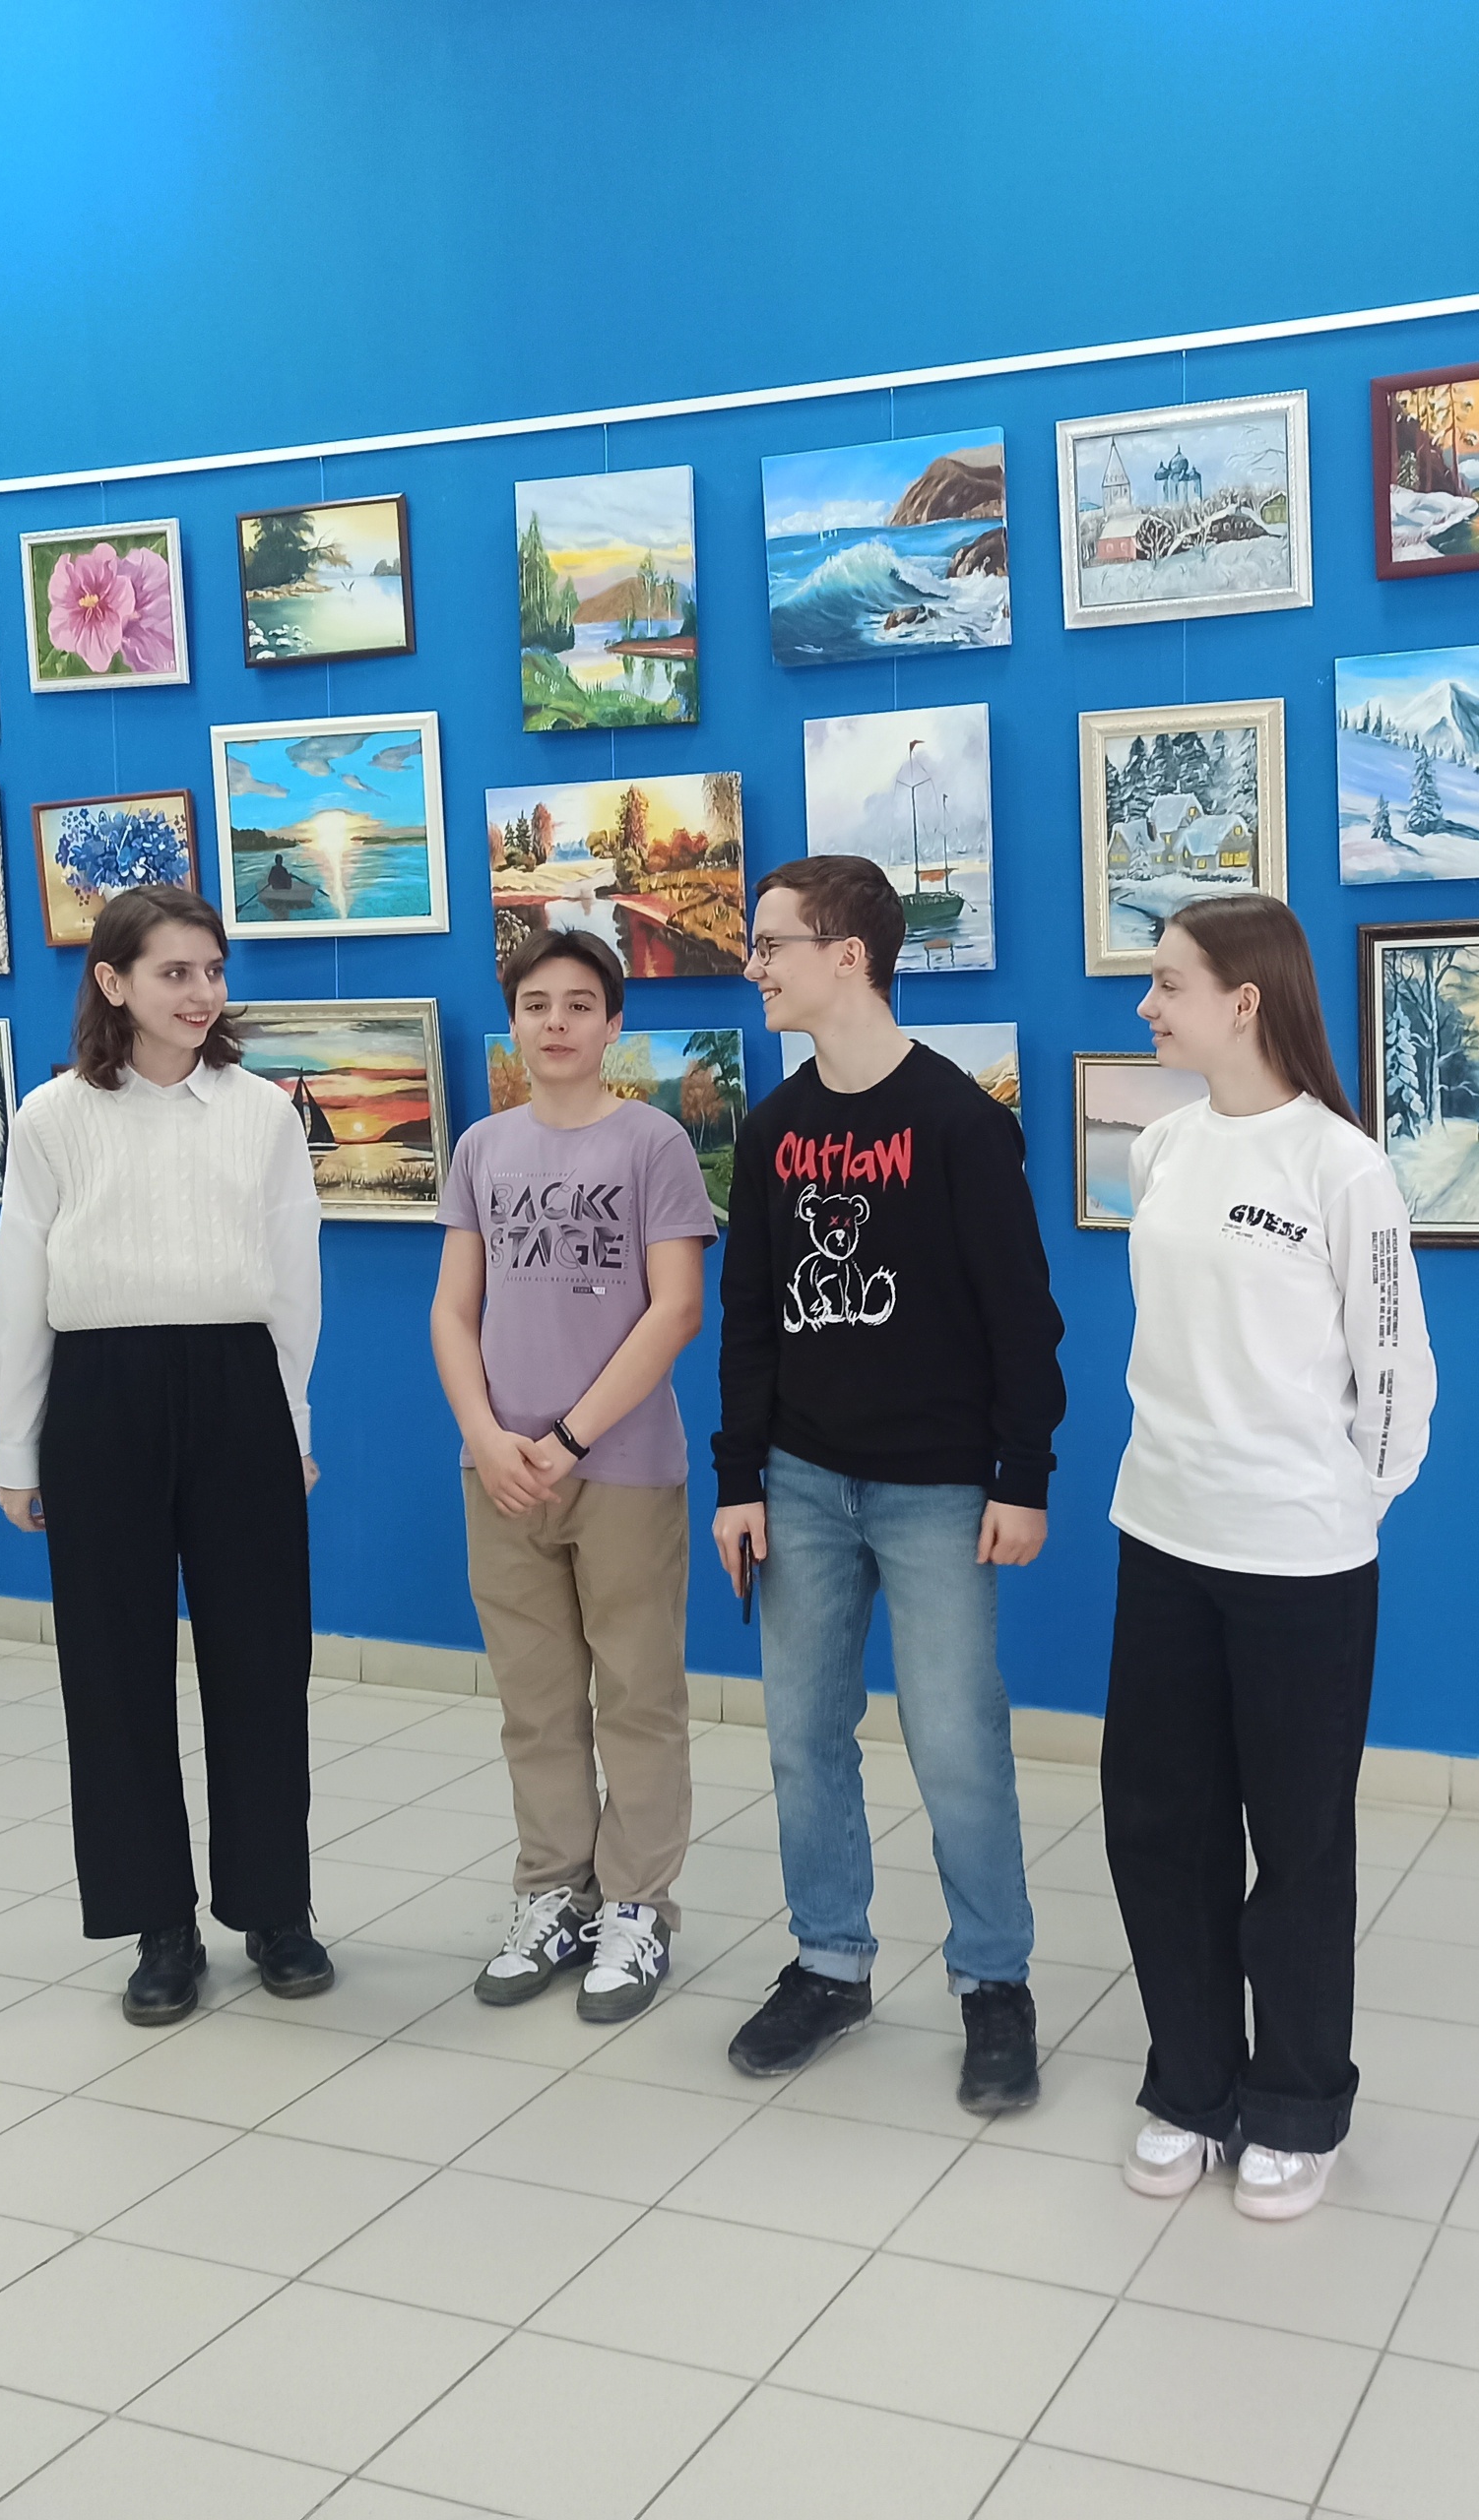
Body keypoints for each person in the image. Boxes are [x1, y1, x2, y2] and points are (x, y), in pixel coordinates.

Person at [712, 855, 1065, 2112]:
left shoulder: (961, 1124)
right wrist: (739, 1477)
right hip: (800, 1483)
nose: (753, 965)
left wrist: (1023, 1475)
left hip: (938, 1491)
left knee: (957, 1740)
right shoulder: (772, 1130)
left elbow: (1022, 1320)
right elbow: (748, 1318)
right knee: (803, 1736)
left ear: (847, 956)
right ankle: (830, 1962)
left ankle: (994, 1982)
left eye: (772, 943)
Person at [1103, 895, 1436, 2220]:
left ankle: (1297, 2101)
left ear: (1246, 999)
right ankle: (1191, 2084)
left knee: (1295, 1839)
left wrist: (1345, 1504)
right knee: (1159, 1824)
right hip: (1161, 1534)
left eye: (1168, 982)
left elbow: (1394, 1368)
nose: (1147, 1004)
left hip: (1300, 1559)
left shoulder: (1342, 1168)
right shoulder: (1164, 1150)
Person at [0, 884, 331, 2027]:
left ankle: (274, 1909)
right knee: (112, 1669)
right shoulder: (51, 1117)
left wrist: (293, 1425)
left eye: (212, 971)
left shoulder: (262, 1113)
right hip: (100, 1398)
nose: (200, 993)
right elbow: (19, 1286)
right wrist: (17, 1440)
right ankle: (158, 1924)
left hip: (239, 1390)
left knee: (263, 1661)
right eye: (175, 972)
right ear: (113, 981)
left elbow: (293, 1282)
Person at [430, 925, 713, 2022]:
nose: (556, 1023)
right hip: (501, 1472)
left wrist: (568, 1440)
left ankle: (637, 1907)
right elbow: (454, 1310)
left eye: (579, 1005)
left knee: (637, 1695)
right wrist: (488, 1434)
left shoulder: (653, 1143)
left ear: (613, 1025)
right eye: (537, 1004)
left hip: (622, 1467)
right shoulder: (482, 1148)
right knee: (536, 1703)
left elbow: (674, 1310)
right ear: (513, 1022)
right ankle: (553, 1891)